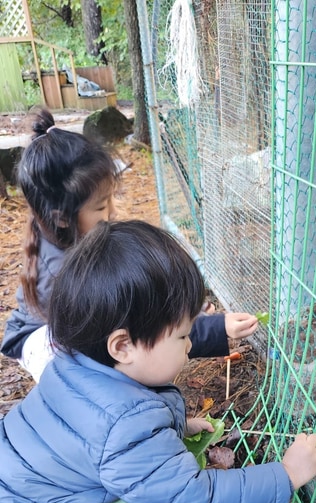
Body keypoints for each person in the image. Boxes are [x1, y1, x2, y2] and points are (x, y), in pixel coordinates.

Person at [0, 220, 316, 503]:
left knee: (140, 485)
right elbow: (196, 500)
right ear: (122, 345)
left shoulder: (72, 366)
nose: (191, 346)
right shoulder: (123, 425)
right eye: (183, 337)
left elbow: (109, 436)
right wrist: (286, 475)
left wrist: (179, 426)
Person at [0, 108, 258, 382]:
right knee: (107, 369)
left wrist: (186, 309)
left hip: (76, 328)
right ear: (62, 218)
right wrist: (214, 328)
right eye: (101, 206)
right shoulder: (65, 275)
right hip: (47, 345)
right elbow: (137, 332)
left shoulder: (74, 238)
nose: (112, 213)